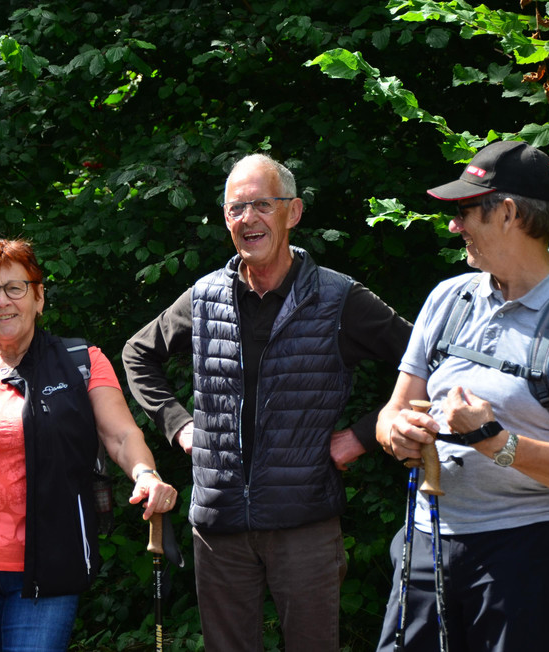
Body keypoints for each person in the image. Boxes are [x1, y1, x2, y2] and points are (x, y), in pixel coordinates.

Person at [122, 153, 412, 651]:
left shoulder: (338, 298)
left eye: (262, 205)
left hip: (305, 521)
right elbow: (137, 353)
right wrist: (179, 426)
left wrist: (364, 435)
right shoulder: (205, 297)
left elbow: (428, 363)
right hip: (218, 524)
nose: (248, 219)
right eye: (236, 208)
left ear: (293, 212)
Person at [375, 140, 549, 651]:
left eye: (465, 211)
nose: (454, 226)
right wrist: (396, 432)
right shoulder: (448, 299)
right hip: (426, 538)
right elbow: (392, 410)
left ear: (508, 213)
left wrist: (494, 440)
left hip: (529, 552)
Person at [0, 238, 179, 652]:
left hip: (50, 564)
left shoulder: (80, 361)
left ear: (39, 297)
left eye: (15, 288)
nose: (3, 301)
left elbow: (122, 435)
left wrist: (146, 474)